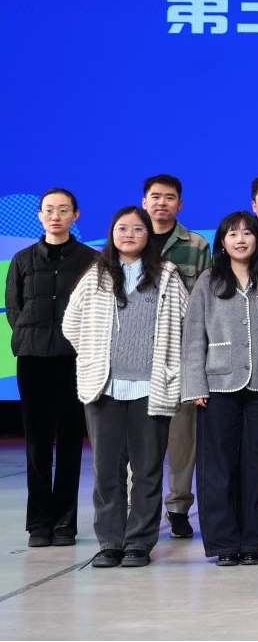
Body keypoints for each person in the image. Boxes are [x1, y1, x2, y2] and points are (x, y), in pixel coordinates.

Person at [62, 207, 188, 568]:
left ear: (148, 235)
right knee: (107, 470)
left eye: (137, 229)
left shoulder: (167, 275)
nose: (129, 235)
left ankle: (138, 542)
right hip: (104, 388)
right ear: (112, 233)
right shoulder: (96, 275)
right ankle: (110, 541)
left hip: (152, 387)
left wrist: (171, 364)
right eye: (122, 228)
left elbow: (185, 322)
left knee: (147, 470)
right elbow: (71, 323)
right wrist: (95, 355)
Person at [181, 212, 258, 567]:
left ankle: (253, 540)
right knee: (218, 467)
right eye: (233, 234)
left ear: (257, 239)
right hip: (218, 385)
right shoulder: (208, 281)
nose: (241, 239)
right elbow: (193, 335)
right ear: (222, 242)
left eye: (247, 233)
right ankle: (223, 543)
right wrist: (195, 384)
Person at [5, 188, 95, 547]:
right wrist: (29, 336)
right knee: (37, 443)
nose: (55, 216)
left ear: (76, 215)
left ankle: (65, 524)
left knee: (71, 442)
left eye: (63, 210)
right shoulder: (22, 259)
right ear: (40, 216)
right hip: (33, 360)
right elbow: (14, 308)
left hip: (74, 359)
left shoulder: (91, 259)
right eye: (49, 210)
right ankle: (39, 524)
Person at [141, 174, 210, 540]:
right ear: (144, 202)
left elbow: (204, 302)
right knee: (139, 437)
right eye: (155, 197)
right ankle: (141, 507)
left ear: (179, 204)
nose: (162, 203)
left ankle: (179, 507)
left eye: (169, 198)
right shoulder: (130, 239)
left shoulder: (196, 245)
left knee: (183, 438)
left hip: (181, 353)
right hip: (138, 356)